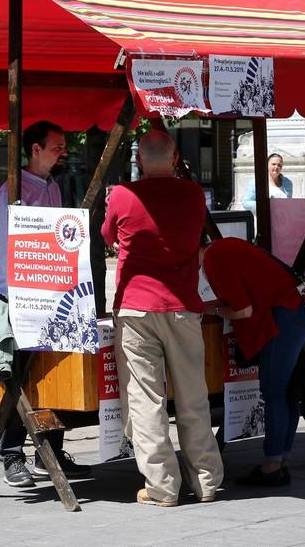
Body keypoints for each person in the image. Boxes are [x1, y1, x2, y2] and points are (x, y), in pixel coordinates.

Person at [102, 130, 223, 507]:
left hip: (136, 308)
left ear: (139, 160)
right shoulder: (192, 194)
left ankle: (162, 486)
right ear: (174, 160)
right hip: (183, 307)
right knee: (193, 398)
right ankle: (206, 481)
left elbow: (108, 235)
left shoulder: (123, 195)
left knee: (145, 399)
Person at [0, 120, 90, 487]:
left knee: (54, 375)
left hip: (53, 295)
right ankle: (11, 453)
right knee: (20, 378)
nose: (63, 151)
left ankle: (50, 450)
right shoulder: (10, 192)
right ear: (34, 149)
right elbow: (11, 249)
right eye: (56, 146)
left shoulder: (52, 186)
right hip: (20, 297)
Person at [200, 237, 305, 486]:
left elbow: (243, 311)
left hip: (283, 317)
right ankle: (280, 459)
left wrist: (211, 310)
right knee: (287, 390)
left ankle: (272, 464)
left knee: (274, 390)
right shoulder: (224, 246)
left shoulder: (214, 258)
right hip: (294, 311)